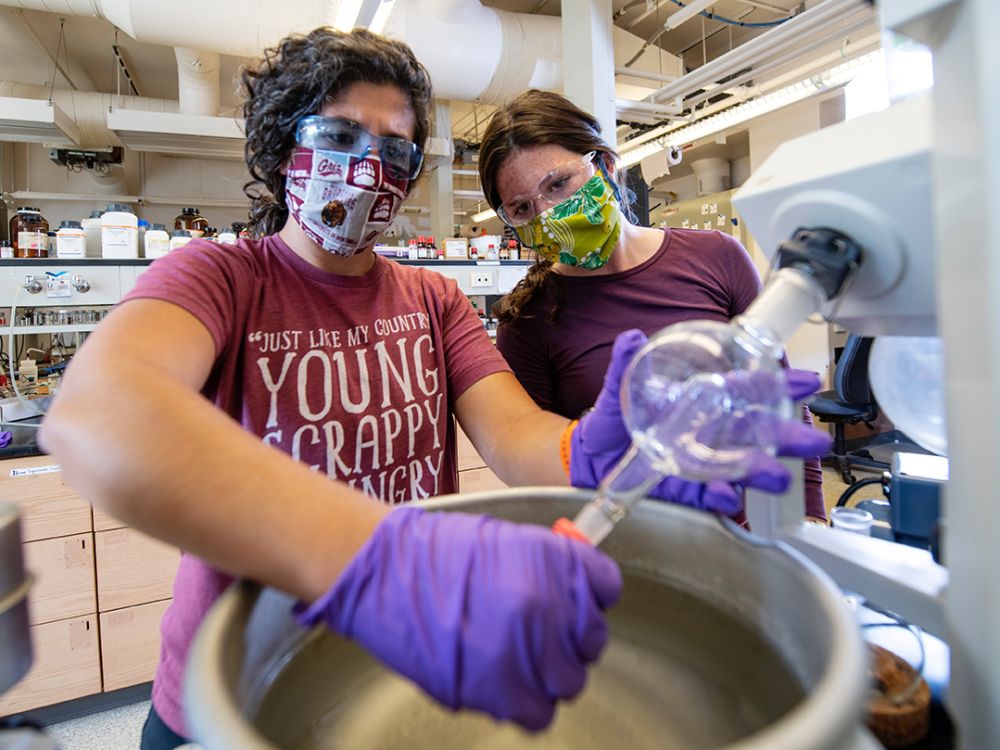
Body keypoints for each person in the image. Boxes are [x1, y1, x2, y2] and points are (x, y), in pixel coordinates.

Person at [39, 30, 828, 750]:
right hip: (240, 682)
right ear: (285, 149)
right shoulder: (221, 278)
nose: (367, 164)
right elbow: (100, 412)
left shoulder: (430, 300)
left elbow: (519, 436)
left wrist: (594, 447)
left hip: (406, 663)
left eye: (395, 149)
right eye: (339, 135)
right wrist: (380, 559)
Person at [479, 89, 828, 522]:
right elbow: (539, 470)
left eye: (557, 184)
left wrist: (811, 516)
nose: (548, 213)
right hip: (630, 542)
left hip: (743, 526)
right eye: (522, 208)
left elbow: (780, 401)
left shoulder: (718, 257)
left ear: (604, 165)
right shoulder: (530, 318)